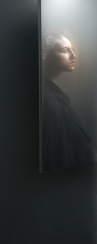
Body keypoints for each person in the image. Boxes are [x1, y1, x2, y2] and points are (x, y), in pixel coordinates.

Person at [41, 30, 95, 171]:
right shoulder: (47, 100)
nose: (73, 55)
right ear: (45, 55)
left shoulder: (55, 96)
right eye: (65, 50)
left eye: (72, 49)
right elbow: (52, 152)